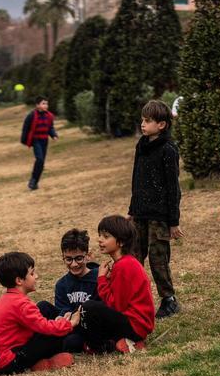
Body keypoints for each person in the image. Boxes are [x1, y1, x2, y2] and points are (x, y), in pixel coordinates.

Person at [128, 99, 183, 319]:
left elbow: (173, 188)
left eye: (148, 121)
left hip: (159, 216)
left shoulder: (168, 150)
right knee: (134, 256)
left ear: (161, 125)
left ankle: (168, 300)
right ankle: (137, 299)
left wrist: (173, 221)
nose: (143, 124)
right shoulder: (141, 146)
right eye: (142, 120)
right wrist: (132, 209)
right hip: (140, 212)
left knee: (158, 258)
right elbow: (137, 180)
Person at [0, 252, 78, 375]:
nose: (36, 276)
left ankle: (37, 361)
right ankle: (40, 363)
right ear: (19, 280)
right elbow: (45, 327)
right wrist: (69, 324)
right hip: (8, 363)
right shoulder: (22, 304)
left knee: (43, 310)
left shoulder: (4, 299)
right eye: (32, 273)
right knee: (52, 335)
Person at [78, 215, 155, 354]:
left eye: (106, 236)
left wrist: (101, 279)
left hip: (135, 325)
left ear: (120, 242)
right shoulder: (125, 262)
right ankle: (122, 341)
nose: (100, 240)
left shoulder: (124, 265)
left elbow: (116, 306)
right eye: (100, 235)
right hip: (136, 323)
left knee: (89, 307)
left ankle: (100, 347)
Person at [37, 228, 99, 352]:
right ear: (63, 258)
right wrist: (62, 317)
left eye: (79, 258)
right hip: (67, 324)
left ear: (88, 256)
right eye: (69, 259)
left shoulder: (98, 278)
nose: (74, 264)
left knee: (71, 343)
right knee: (42, 306)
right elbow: (62, 308)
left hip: (85, 327)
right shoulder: (62, 284)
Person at [20, 97, 57, 190]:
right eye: (43, 103)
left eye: (46, 104)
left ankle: (35, 182)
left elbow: (50, 127)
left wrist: (53, 135)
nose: (46, 105)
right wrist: (24, 140)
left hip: (44, 140)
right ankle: (33, 180)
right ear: (37, 105)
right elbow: (26, 128)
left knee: (41, 162)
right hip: (36, 140)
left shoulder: (49, 116)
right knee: (39, 159)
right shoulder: (32, 115)